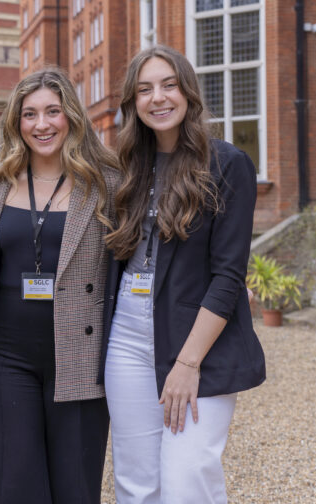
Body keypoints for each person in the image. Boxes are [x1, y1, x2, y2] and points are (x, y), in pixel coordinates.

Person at [101, 44, 266, 504]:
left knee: (186, 479)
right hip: (128, 335)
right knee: (137, 482)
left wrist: (187, 363)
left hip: (198, 340)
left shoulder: (227, 164)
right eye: (144, 89)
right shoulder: (127, 167)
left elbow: (229, 276)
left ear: (188, 92)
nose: (158, 98)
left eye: (169, 85)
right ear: (133, 103)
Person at [0, 67, 120, 504]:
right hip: (6, 355)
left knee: (75, 484)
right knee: (10, 482)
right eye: (30, 114)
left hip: (80, 353)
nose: (42, 124)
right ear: (16, 122)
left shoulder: (106, 184)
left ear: (71, 116)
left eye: (52, 112)